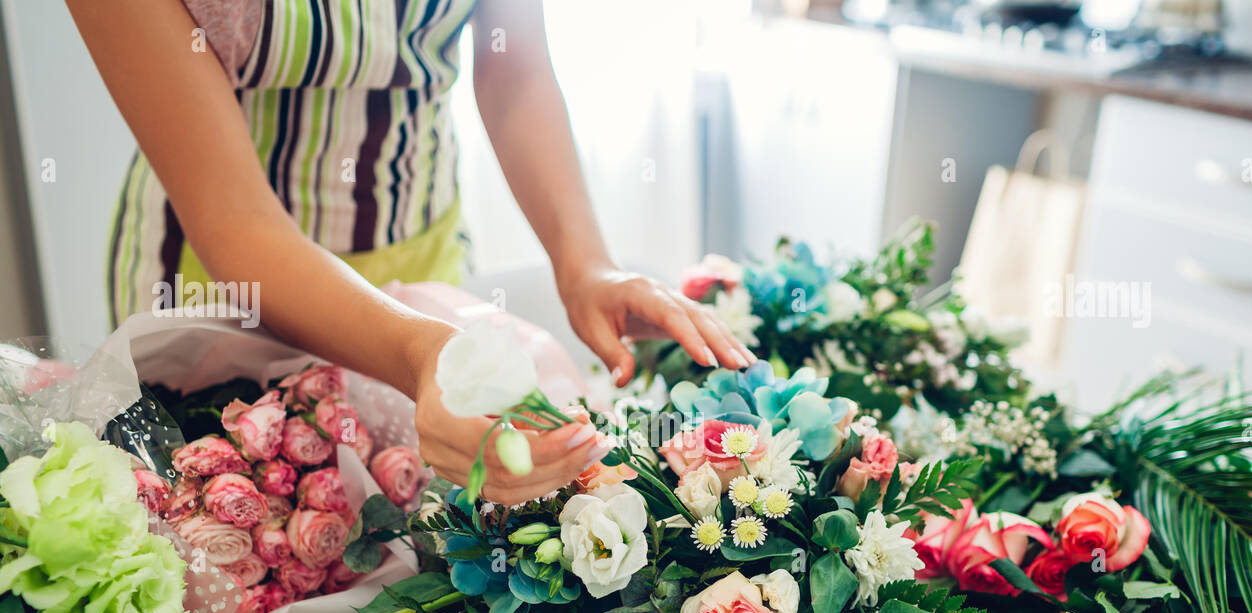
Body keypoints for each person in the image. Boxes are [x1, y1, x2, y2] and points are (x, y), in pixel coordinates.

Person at [69, 0, 755, 505]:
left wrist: (585, 265)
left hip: (426, 268)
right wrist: (428, 356)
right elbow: (239, 223)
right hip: (226, 296)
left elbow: (513, 67)